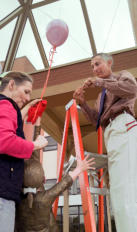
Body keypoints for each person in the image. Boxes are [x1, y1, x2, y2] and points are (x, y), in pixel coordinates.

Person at [73, 53, 137, 232]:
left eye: (97, 64)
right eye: (92, 67)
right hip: (110, 133)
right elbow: (97, 121)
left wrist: (100, 82)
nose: (94, 69)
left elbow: (131, 90)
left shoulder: (122, 75)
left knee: (127, 187)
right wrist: (83, 103)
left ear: (109, 62)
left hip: (124, 126)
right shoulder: (101, 97)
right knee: (117, 190)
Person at [0, 71, 48, 232]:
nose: (27, 98)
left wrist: (26, 108)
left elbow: (8, 125)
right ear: (11, 84)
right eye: (26, 91)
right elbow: (5, 141)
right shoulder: (6, 105)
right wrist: (35, 144)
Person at [15, 152, 95, 232]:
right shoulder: (44, 198)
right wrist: (79, 169)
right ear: (43, 180)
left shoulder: (16, 197)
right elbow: (64, 183)